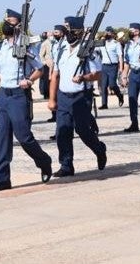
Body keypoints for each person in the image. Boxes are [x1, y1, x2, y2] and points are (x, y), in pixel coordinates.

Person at [0, 9, 52, 192]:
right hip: (3, 96)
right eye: (6, 20)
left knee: (24, 137)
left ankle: (44, 160)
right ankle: (2, 179)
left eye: (11, 21)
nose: (6, 24)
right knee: (1, 137)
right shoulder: (0, 46)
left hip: (18, 95)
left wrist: (30, 80)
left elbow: (40, 68)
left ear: (19, 25)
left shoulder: (25, 46)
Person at [48, 17, 107, 177]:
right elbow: (55, 74)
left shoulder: (89, 50)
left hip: (81, 95)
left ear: (79, 32)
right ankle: (66, 165)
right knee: (62, 131)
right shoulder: (61, 48)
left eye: (70, 30)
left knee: (82, 130)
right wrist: (52, 98)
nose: (67, 33)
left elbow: (98, 74)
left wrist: (84, 78)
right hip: (63, 96)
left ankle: (99, 149)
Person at [97, 26, 124, 109]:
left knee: (112, 84)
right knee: (104, 85)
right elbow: (95, 50)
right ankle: (104, 104)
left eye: (109, 32)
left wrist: (121, 68)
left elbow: (120, 56)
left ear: (112, 34)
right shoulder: (102, 43)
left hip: (113, 66)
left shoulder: (116, 43)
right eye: (106, 32)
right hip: (104, 66)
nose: (107, 33)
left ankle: (119, 95)